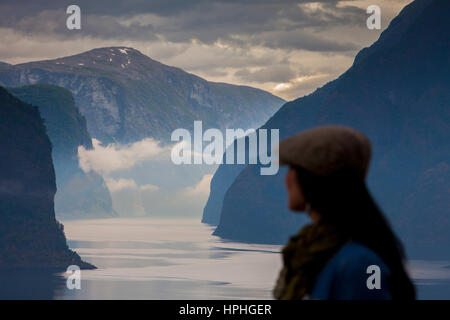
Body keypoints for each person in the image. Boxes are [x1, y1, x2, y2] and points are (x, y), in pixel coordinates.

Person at [273, 125, 415, 300]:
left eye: (293, 169)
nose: (287, 178)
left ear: (311, 179)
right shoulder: (315, 252)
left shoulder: (358, 265)